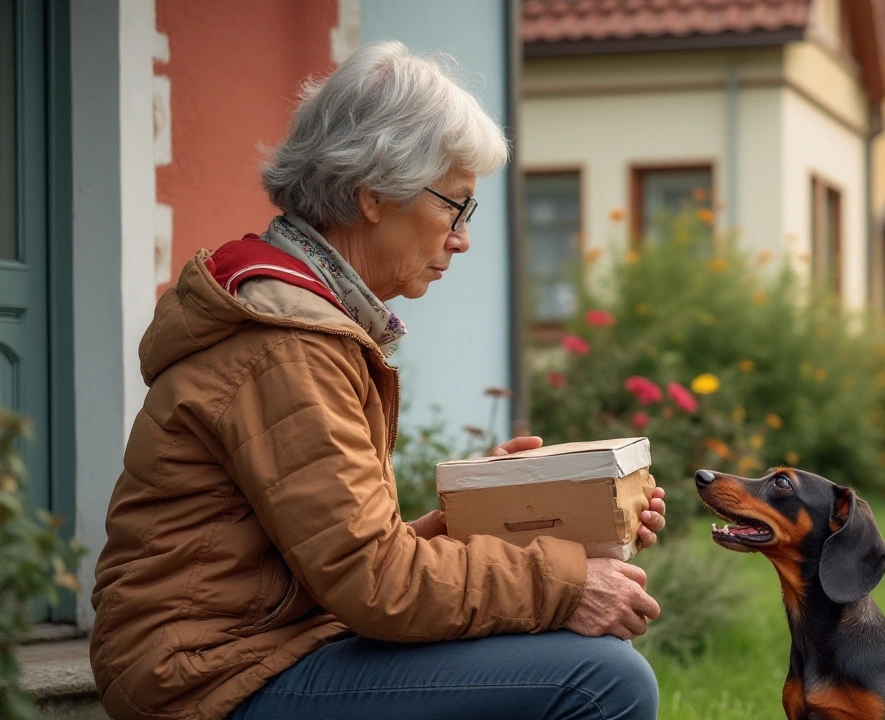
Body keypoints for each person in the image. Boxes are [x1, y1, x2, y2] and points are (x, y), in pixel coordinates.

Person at [89, 41, 665, 720]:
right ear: (372, 194)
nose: (461, 239)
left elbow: (342, 562)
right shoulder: (285, 344)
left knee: (575, 658)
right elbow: (374, 583)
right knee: (602, 679)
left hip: (266, 647)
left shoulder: (304, 318)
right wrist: (565, 583)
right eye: (455, 205)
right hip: (207, 680)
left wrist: (477, 520)